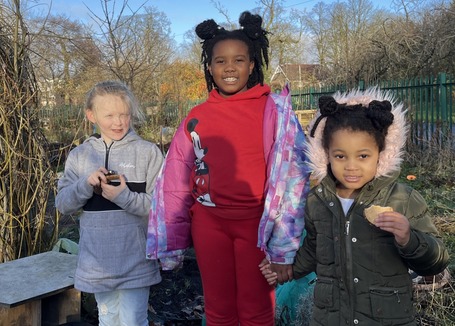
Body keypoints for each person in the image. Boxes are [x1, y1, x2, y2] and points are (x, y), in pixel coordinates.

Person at [146, 11, 311, 326]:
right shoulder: (195, 117)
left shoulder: (274, 111)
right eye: (220, 61)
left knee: (256, 311)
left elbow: (295, 178)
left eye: (238, 60)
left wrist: (283, 246)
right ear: (209, 67)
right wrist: (172, 239)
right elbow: (176, 181)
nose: (230, 67)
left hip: (257, 230)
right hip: (210, 226)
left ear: (252, 65)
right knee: (219, 311)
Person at [261, 87, 450, 325]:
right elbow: (312, 251)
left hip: (386, 318)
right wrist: (284, 270)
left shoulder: (402, 199)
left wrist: (408, 239)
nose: (351, 167)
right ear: (325, 154)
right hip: (330, 317)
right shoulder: (317, 201)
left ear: (381, 154)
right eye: (340, 156)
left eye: (363, 156)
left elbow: (437, 260)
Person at [55, 80, 164, 326]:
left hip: (136, 259)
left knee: (133, 321)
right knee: (108, 319)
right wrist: (85, 185)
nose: (118, 122)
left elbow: (160, 207)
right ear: (91, 115)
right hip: (97, 262)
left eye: (124, 114)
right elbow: (62, 204)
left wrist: (123, 197)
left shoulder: (148, 153)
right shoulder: (79, 156)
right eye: (110, 115)